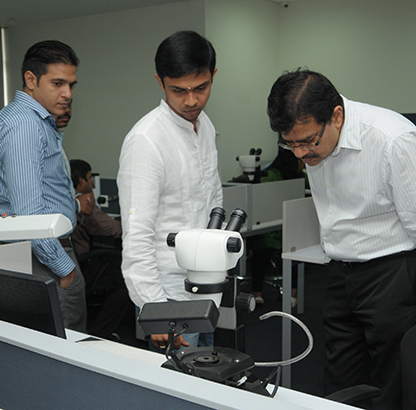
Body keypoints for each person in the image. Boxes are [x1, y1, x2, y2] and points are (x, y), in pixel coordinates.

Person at [266, 68, 416, 410]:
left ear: (336, 116)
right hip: (341, 273)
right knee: (340, 384)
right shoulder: (314, 143)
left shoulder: (393, 139)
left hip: (394, 275)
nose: (299, 154)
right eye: (290, 144)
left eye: (308, 141)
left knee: (394, 385)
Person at [117, 30, 222, 352]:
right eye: (178, 90)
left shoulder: (205, 127)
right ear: (160, 82)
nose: (191, 101)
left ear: (213, 75)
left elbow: (213, 199)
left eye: (201, 88)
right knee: (176, 381)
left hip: (207, 287)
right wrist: (154, 307)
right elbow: (137, 234)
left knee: (207, 372)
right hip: (168, 295)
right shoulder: (146, 140)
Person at [0, 40, 86, 332]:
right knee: (65, 346)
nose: (67, 94)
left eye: (71, 85)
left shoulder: (30, 120)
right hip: (43, 257)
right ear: (31, 79)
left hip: (39, 254)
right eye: (57, 83)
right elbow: (28, 215)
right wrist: (64, 269)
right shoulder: (25, 125)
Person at [69, 159, 130, 340]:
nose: (91, 182)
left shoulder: (65, 200)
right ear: (81, 181)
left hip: (72, 263)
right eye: (89, 178)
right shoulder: (83, 202)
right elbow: (113, 230)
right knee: (126, 284)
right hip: (83, 264)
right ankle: (100, 333)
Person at [248, 147, 306, 305]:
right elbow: (263, 198)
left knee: (295, 252)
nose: (304, 165)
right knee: (262, 252)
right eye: (301, 161)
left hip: (288, 225)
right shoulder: (270, 175)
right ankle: (257, 293)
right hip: (267, 225)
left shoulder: (299, 176)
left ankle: (292, 294)